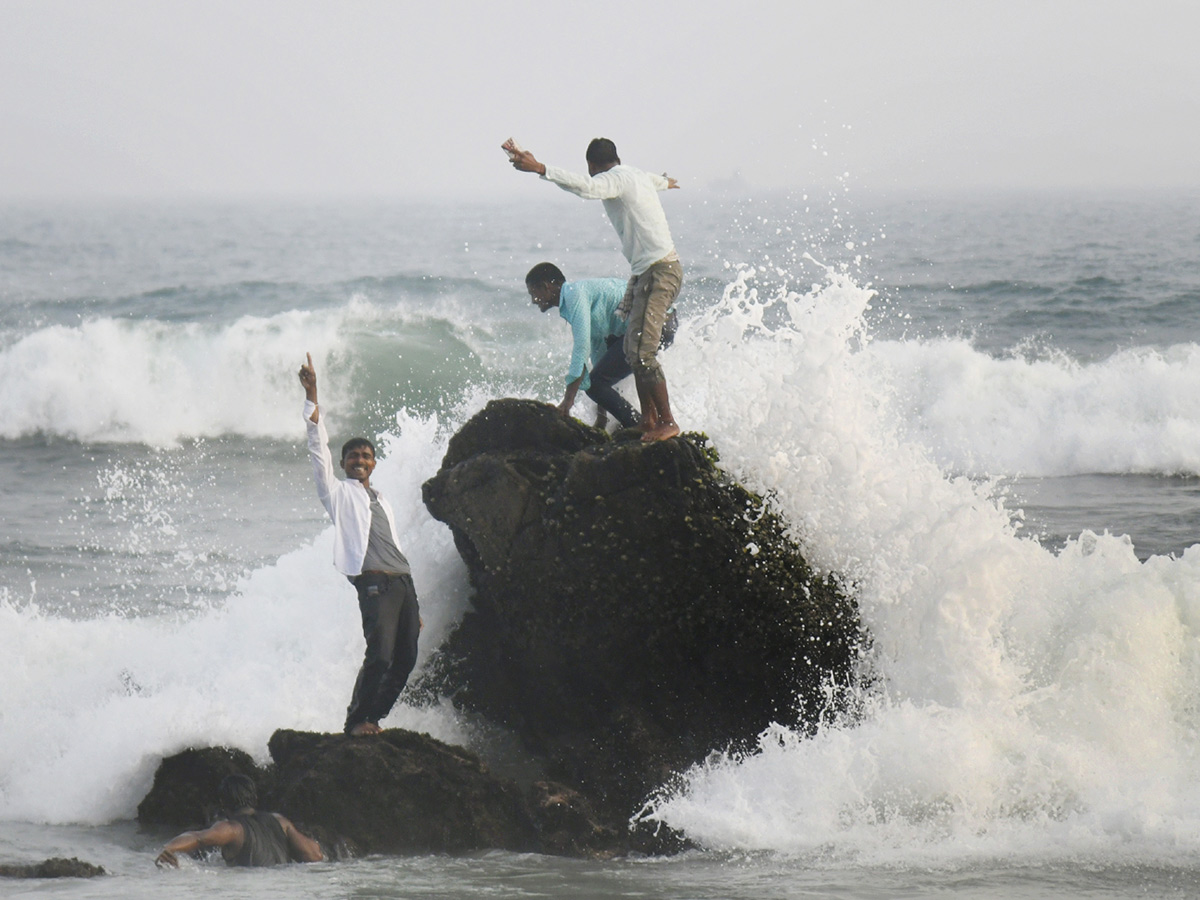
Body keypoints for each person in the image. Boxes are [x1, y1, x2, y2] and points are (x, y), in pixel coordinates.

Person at [504, 137, 683, 441]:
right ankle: (649, 421)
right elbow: (654, 180)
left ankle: (667, 421)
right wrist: (666, 181)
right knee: (633, 348)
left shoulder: (612, 180)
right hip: (645, 274)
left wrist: (541, 168)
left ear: (592, 166)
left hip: (659, 271)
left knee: (641, 352)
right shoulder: (636, 175)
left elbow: (586, 188)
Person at [298, 352, 421, 736]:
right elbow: (318, 448)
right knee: (380, 655)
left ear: (374, 463)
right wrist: (312, 393)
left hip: (402, 582)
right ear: (345, 462)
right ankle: (356, 721)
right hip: (375, 583)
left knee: (406, 659)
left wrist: (411, 599)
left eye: (366, 456)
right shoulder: (337, 493)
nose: (360, 460)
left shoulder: (381, 498)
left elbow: (394, 544)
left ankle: (373, 718)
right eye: (353, 456)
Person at [526, 261, 676, 430]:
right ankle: (641, 422)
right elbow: (599, 359)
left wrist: (567, 402)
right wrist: (601, 417)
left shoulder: (574, 294)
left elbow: (581, 348)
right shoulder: (578, 303)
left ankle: (638, 424)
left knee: (594, 384)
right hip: (657, 325)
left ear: (546, 287)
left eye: (533, 293)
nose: (533, 300)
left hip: (655, 324)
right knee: (597, 380)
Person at [155, 774, 323, 868]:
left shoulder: (232, 829)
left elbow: (198, 838)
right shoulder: (280, 821)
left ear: (223, 803)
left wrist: (169, 849)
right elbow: (314, 855)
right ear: (255, 798)